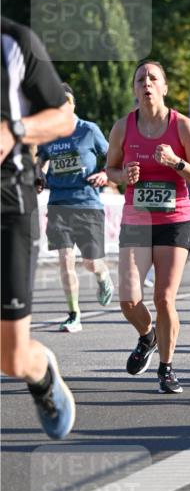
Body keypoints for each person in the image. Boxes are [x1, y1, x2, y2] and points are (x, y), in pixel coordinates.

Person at [106, 61, 190, 393]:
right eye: (141, 79)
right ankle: (147, 336)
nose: (147, 83)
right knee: (128, 299)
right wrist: (124, 177)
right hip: (137, 219)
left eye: (153, 78)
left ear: (164, 87)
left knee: (164, 298)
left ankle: (166, 368)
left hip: (174, 219)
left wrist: (177, 163)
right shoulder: (123, 127)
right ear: (135, 89)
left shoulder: (182, 127)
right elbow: (109, 169)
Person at [1, 16, 77, 439]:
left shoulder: (15, 43)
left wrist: (15, 130)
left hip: (9, 206)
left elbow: (63, 118)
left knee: (11, 359)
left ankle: (42, 373)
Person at [37, 83, 114, 332]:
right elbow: (40, 160)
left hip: (87, 204)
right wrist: (38, 175)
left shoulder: (88, 130)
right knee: (65, 260)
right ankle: (74, 314)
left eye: (65, 103)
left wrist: (104, 174)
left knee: (91, 262)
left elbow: (113, 157)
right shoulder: (49, 133)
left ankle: (103, 276)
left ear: (72, 104)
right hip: (59, 203)